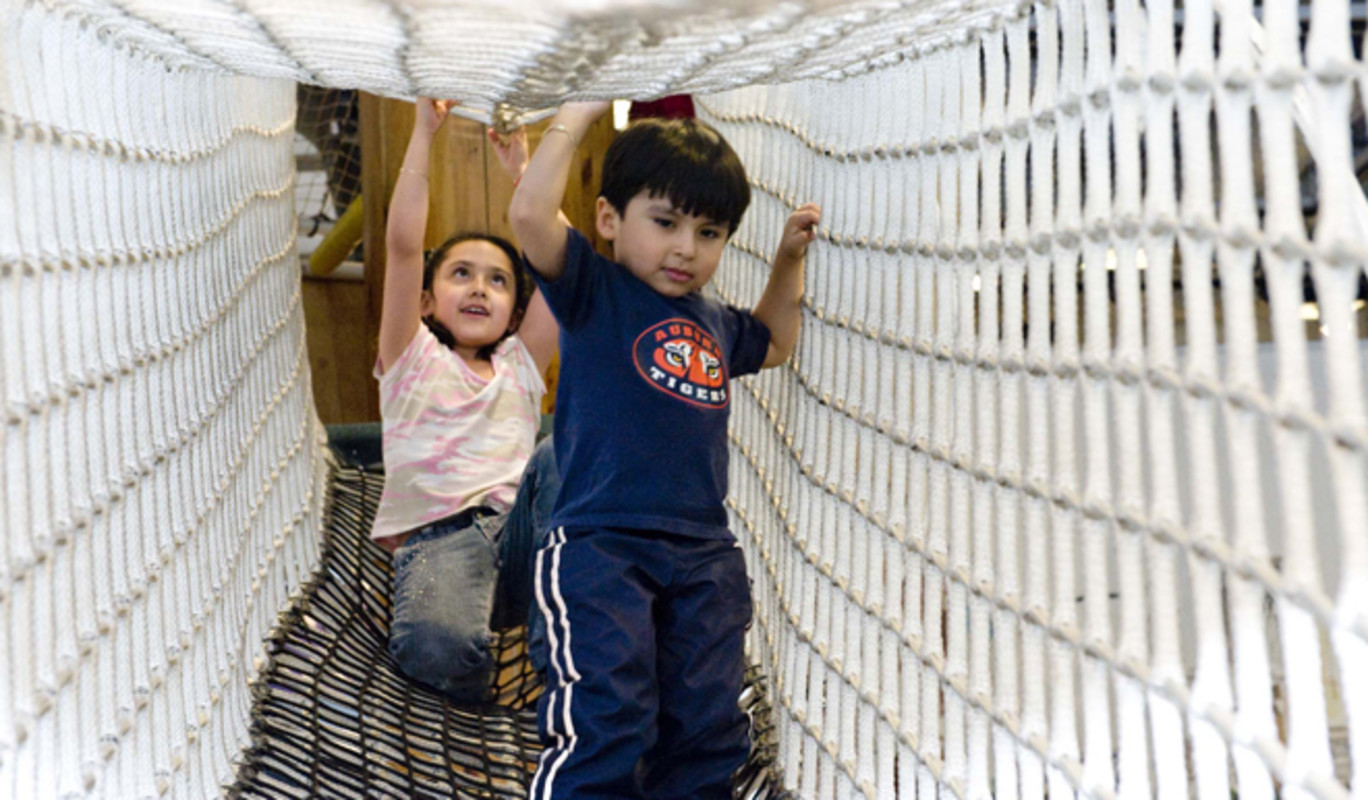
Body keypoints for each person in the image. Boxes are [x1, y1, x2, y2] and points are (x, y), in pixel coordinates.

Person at [509, 101, 821, 798]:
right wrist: (581, 111)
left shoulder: (712, 321)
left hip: (703, 554)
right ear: (610, 219)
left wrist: (786, 261)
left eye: (709, 232)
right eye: (666, 222)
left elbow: (773, 341)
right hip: (601, 544)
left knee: (707, 726)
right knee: (608, 715)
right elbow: (530, 216)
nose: (686, 248)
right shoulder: (595, 289)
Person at [373, 97, 561, 704]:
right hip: (442, 542)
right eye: (461, 274)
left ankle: (563, 647)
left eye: (498, 279)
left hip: (523, 534)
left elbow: (567, 272)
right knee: (435, 649)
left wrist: (525, 177)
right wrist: (423, 136)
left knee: (563, 451)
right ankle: (477, 696)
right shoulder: (410, 358)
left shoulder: (520, 365)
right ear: (427, 301)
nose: (480, 286)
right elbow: (403, 246)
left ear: (513, 311)